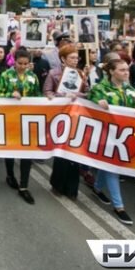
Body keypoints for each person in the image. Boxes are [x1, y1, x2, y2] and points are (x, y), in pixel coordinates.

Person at [89, 58, 135, 225]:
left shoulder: (131, 90)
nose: (126, 72)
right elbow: (90, 98)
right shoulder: (100, 88)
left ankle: (97, 188)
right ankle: (119, 206)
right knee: (113, 167)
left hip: (123, 136)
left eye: (127, 70)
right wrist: (97, 102)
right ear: (111, 71)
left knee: (108, 165)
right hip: (105, 134)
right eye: (121, 70)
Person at [0, 49, 40, 204]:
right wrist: (9, 96)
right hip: (10, 118)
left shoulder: (32, 77)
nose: (23, 66)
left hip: (27, 120)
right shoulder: (6, 75)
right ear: (14, 61)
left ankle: (24, 186)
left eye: (26, 64)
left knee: (27, 153)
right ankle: (10, 174)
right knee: (11, 149)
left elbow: (37, 95)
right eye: (20, 63)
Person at [43, 44, 89, 199]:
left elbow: (87, 93)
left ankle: (72, 188)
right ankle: (57, 184)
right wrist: (59, 96)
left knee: (74, 151)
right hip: (60, 117)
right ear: (63, 59)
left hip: (76, 116)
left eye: (77, 58)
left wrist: (77, 95)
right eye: (72, 58)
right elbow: (47, 92)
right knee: (61, 151)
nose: (75, 61)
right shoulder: (53, 74)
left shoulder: (81, 74)